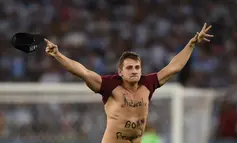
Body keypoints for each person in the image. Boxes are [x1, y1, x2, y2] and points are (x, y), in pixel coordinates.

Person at [44, 23, 213, 143]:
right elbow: (82, 71)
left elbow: (173, 68)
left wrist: (191, 44)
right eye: (130, 67)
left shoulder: (148, 84)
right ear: (120, 71)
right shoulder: (110, 86)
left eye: (137, 67)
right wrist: (58, 55)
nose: (134, 70)